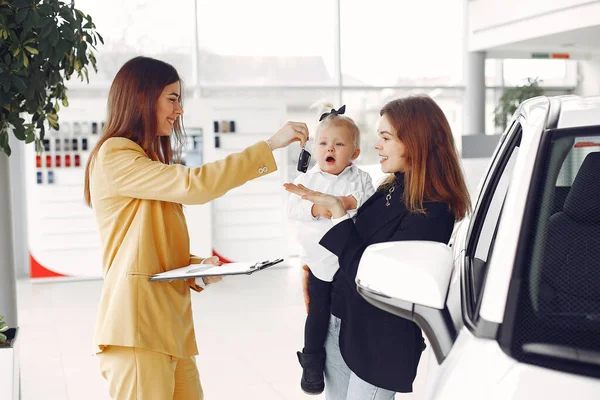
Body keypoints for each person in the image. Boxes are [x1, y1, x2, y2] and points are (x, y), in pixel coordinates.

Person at [83, 56, 308, 400]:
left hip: (169, 330)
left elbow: (152, 248)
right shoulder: (115, 155)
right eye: (172, 99)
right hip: (137, 331)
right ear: (141, 97)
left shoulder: (146, 162)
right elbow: (196, 185)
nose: (179, 111)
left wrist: (196, 269)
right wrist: (270, 146)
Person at [285, 95, 471, 400]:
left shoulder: (433, 210)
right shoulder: (393, 185)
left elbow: (376, 275)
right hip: (341, 320)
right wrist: (319, 271)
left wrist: (337, 213)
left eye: (385, 137)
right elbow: (360, 243)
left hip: (377, 343)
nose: (377, 145)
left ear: (416, 142)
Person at [288, 103, 375, 395]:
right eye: (324, 143)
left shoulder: (360, 179)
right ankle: (311, 364)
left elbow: (366, 199)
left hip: (347, 262)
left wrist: (346, 203)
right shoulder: (308, 179)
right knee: (317, 313)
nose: (330, 149)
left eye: (339, 144)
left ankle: (349, 356)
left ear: (354, 153)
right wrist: (314, 207)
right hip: (317, 261)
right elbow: (293, 207)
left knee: (342, 315)